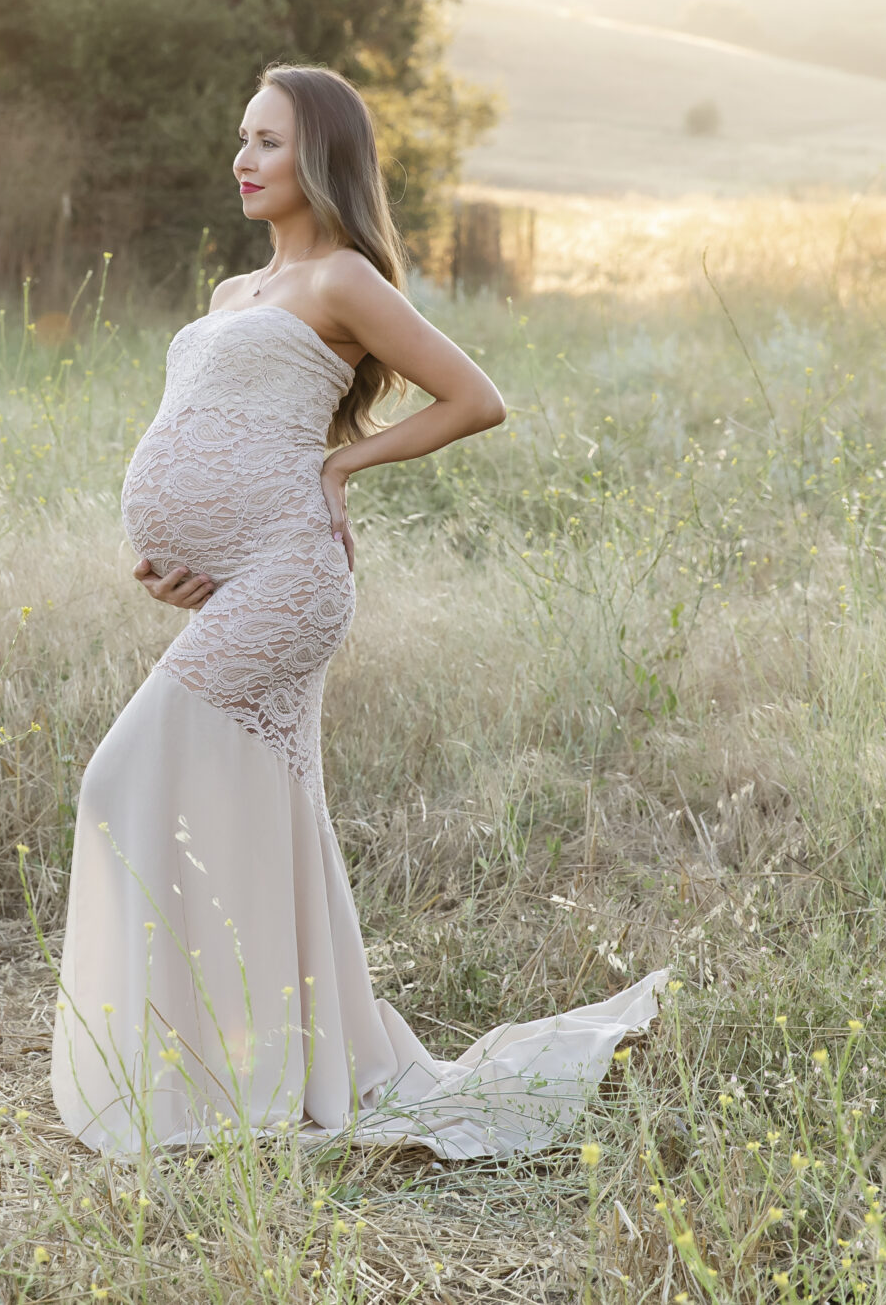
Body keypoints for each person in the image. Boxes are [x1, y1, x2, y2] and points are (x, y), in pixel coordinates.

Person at [50, 64, 666, 1158]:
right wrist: (169, 559)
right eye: (240, 138)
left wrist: (342, 471)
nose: (243, 160)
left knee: (120, 777)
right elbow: (207, 423)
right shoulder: (229, 297)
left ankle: (215, 1070)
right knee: (239, 809)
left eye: (269, 142)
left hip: (292, 575)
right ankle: (235, 1063)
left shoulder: (341, 279)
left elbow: (475, 398)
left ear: (319, 156)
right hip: (233, 575)